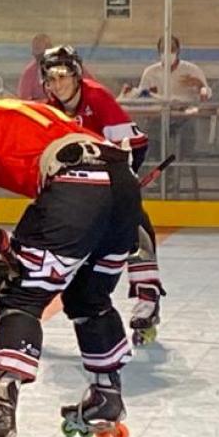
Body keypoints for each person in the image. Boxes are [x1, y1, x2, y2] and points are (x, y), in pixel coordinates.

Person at [0, 72, 141, 437]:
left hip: (78, 184)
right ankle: (106, 398)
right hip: (121, 184)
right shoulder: (28, 109)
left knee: (22, 295)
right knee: (88, 297)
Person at [41, 46, 164, 346]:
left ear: (76, 74)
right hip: (77, 193)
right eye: (50, 78)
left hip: (110, 182)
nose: (57, 84)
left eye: (62, 76)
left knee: (136, 228)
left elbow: (136, 144)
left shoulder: (98, 98)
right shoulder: (51, 109)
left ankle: (148, 299)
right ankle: (30, 298)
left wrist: (125, 184)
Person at [133, 36, 211, 102]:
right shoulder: (150, 72)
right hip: (157, 116)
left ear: (178, 51)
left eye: (172, 49)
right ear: (158, 52)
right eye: (163, 49)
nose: (167, 52)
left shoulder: (192, 70)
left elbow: (206, 98)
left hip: (187, 117)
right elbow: (141, 98)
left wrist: (200, 85)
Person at [17, 33, 53, 100]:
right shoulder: (29, 72)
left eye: (43, 52)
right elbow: (24, 99)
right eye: (36, 50)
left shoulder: (62, 70)